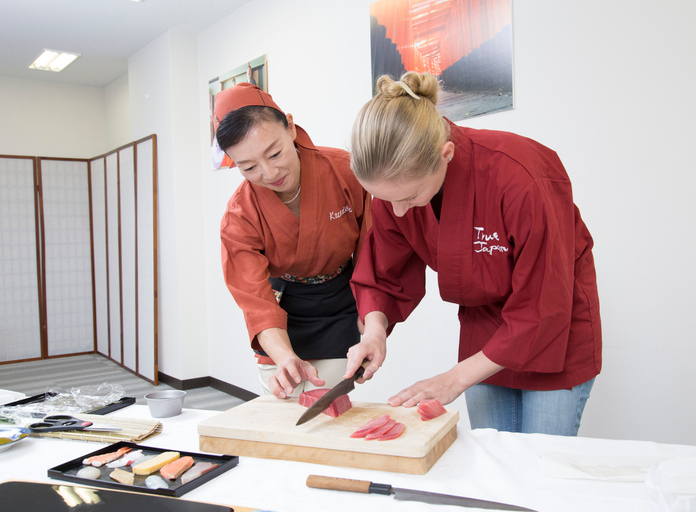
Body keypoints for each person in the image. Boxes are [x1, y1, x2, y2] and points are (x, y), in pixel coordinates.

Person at [344, 72, 601, 435]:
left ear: (445, 154)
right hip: (485, 330)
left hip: (553, 329)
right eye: (387, 200)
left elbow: (543, 305)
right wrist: (374, 332)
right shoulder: (394, 189)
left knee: (540, 469)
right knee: (492, 461)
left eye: (410, 198)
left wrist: (454, 379)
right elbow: (385, 272)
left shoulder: (523, 177)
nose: (398, 212)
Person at [215, 82, 370, 399]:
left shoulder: (345, 171)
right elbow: (255, 301)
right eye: (249, 167)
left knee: (329, 408)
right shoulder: (239, 216)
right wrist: (284, 356)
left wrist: (372, 318)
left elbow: (373, 251)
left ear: (290, 126)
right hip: (281, 313)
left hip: (340, 304)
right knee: (283, 411)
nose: (269, 173)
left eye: (275, 153)